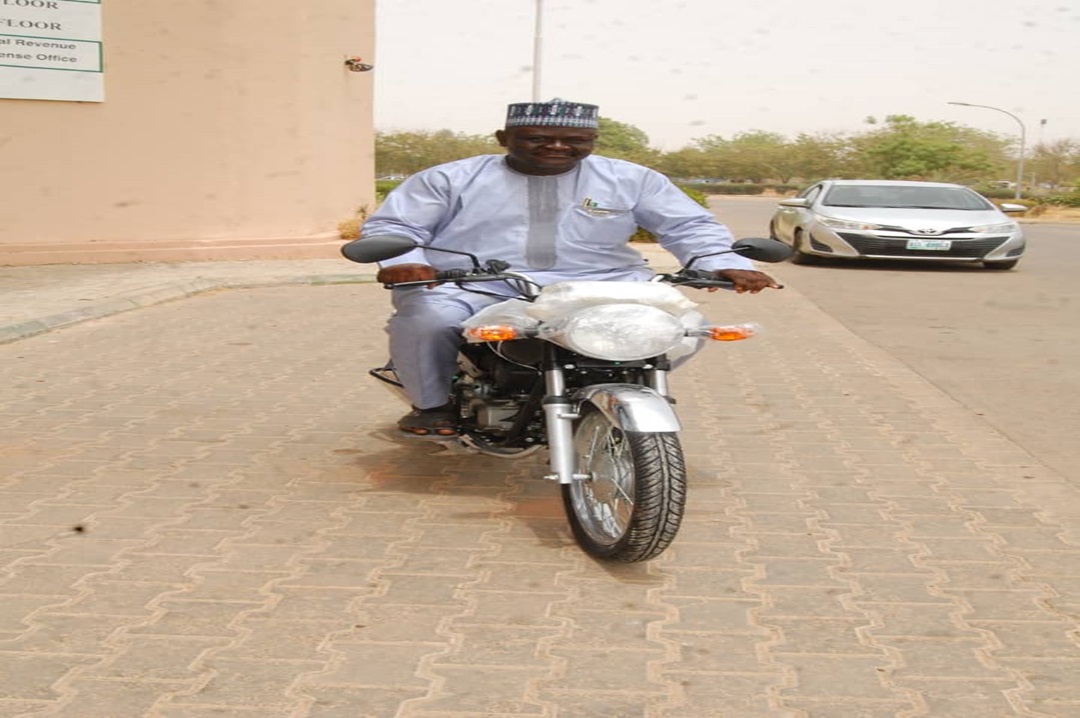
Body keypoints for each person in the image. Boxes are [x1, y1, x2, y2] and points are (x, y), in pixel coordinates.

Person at [361, 98, 779, 437]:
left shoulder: (632, 179)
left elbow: (688, 225)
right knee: (427, 318)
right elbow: (396, 226)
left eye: (574, 139)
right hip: (476, 283)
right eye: (537, 137)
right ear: (504, 137)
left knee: (685, 327)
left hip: (602, 285)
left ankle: (607, 391)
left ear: (592, 140)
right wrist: (405, 261)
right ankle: (431, 405)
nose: (556, 147)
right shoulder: (450, 179)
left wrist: (722, 263)